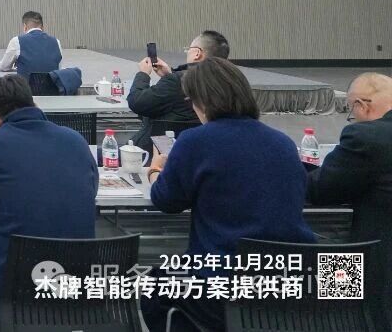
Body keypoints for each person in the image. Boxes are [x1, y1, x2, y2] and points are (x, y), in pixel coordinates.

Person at [140, 58, 314, 332]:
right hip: (293, 282)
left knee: (152, 286)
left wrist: (154, 171)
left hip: (222, 285)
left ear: (202, 101)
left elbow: (166, 200)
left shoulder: (195, 140)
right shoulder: (283, 142)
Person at [0, 74, 97, 332]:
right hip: (69, 289)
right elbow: (91, 189)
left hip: (6, 293)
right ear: (32, 101)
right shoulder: (76, 141)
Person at [305, 72, 392, 329]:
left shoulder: (366, 137)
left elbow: (321, 190)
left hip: (373, 262)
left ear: (361, 105)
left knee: (341, 312)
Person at [128, 29, 228, 148]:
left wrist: (143, 74)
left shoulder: (177, 81)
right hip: (203, 146)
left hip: (160, 149)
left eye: (189, 49)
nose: (187, 52)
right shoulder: (226, 82)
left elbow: (138, 102)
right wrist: (171, 74)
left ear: (197, 53)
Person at [0, 10, 62, 75]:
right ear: (42, 27)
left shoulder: (16, 41)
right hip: (50, 81)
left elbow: (4, 67)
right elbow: (58, 68)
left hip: (25, 81)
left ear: (25, 26)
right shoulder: (56, 42)